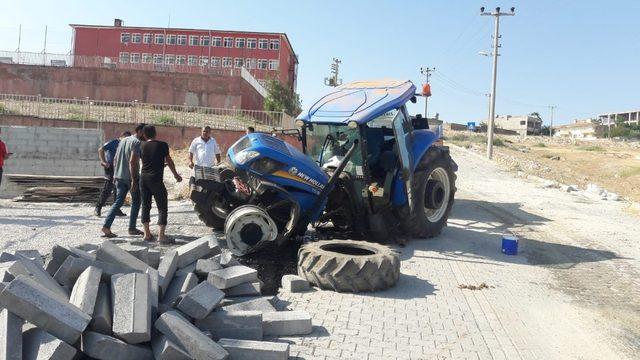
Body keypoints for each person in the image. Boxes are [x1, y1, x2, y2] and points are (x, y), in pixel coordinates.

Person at [101, 124, 146, 238]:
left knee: (118, 202)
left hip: (119, 176)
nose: (146, 136)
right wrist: (135, 180)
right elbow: (133, 162)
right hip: (130, 177)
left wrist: (115, 174)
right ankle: (132, 228)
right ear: (140, 131)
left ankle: (106, 226)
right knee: (136, 201)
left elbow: (115, 158)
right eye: (145, 133)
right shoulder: (136, 142)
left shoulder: (123, 140)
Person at [139, 125, 182, 243]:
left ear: (144, 134)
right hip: (156, 179)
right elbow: (169, 160)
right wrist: (176, 175)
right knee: (162, 206)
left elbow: (146, 161)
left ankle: (147, 234)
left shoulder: (141, 145)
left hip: (143, 178)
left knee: (145, 205)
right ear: (155, 133)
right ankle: (161, 236)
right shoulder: (162, 145)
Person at [94, 131, 131, 217]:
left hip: (120, 168)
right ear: (121, 136)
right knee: (108, 188)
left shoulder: (126, 145)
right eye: (125, 138)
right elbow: (101, 149)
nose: (126, 140)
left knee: (118, 189)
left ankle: (116, 209)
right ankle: (98, 208)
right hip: (110, 168)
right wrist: (104, 161)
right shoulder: (113, 142)